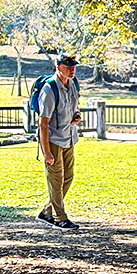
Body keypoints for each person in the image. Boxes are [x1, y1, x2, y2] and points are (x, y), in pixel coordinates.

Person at [35, 53, 83, 230]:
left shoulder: (73, 84)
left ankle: (47, 212)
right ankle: (60, 218)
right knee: (56, 180)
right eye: (67, 66)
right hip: (53, 141)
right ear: (58, 67)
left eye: (73, 66)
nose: (72, 70)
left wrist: (77, 116)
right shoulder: (49, 89)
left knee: (68, 177)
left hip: (69, 138)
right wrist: (47, 152)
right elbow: (43, 123)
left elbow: (75, 107)